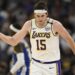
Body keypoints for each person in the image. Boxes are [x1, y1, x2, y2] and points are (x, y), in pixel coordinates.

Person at [0, 1, 75, 75]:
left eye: (42, 16)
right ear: (34, 15)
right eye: (38, 16)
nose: (40, 19)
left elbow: (69, 39)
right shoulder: (29, 24)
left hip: (52, 64)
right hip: (36, 64)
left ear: (46, 14)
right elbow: (13, 41)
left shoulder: (55, 25)